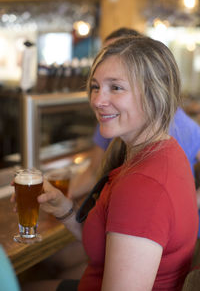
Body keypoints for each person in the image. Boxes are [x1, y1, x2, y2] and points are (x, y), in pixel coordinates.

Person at [25, 36, 198, 290]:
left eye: (115, 87)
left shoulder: (143, 187)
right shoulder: (164, 150)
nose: (97, 100)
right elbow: (112, 240)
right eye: (95, 86)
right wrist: (64, 209)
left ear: (154, 94)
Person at [68, 28, 200, 200]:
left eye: (115, 87)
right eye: (103, 55)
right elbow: (94, 172)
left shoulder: (177, 130)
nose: (98, 101)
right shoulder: (116, 124)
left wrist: (191, 203)